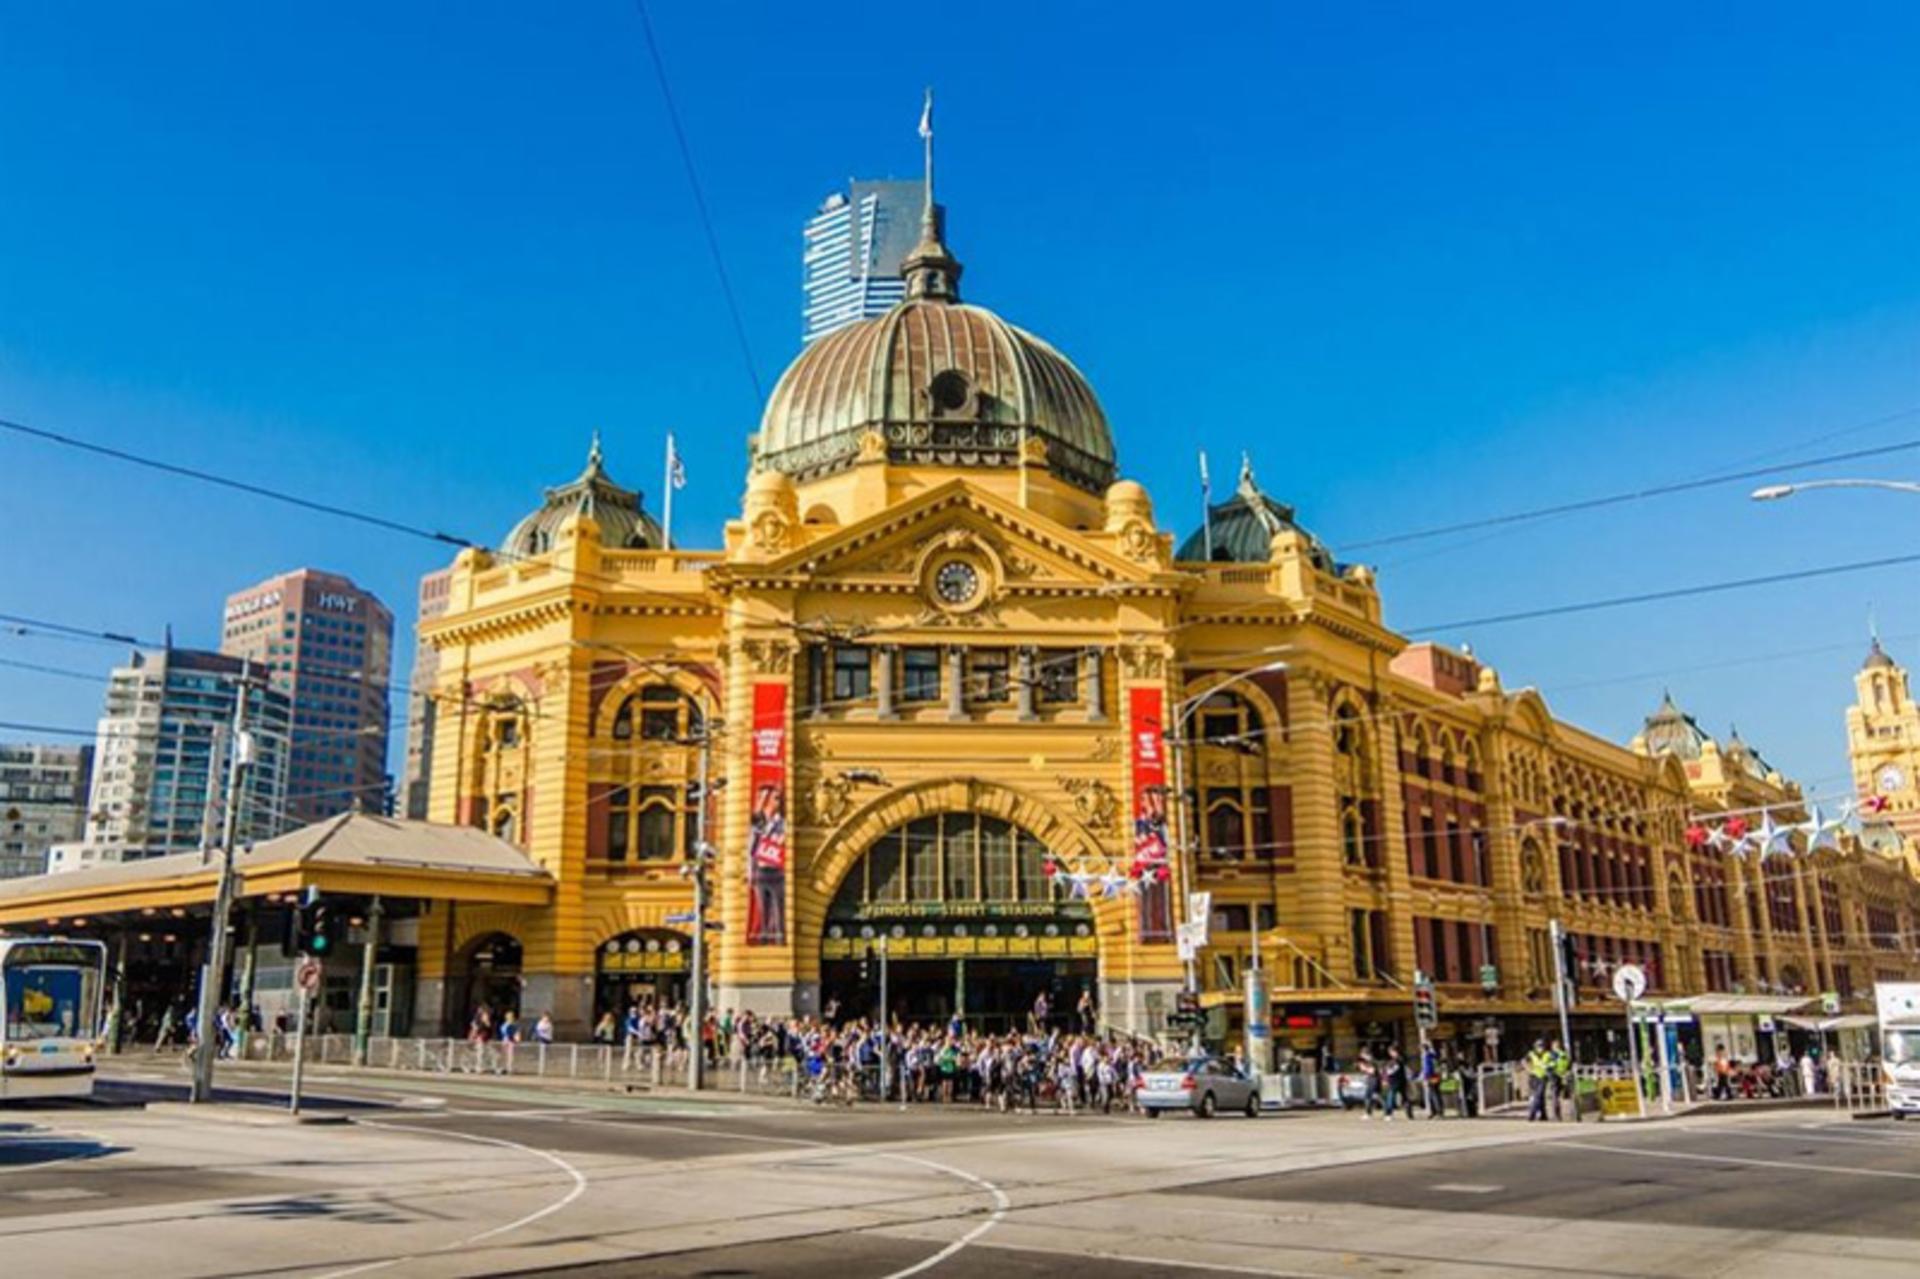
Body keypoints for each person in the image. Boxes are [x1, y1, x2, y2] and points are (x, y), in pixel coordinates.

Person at [1526, 1038, 1554, 1122]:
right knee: (1537, 1096)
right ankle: (1538, 1114)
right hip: (1534, 1077)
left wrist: (1548, 1066)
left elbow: (1553, 1062)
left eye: (1541, 1046)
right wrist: (1529, 1070)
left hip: (1543, 1077)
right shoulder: (1531, 1054)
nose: (1540, 1048)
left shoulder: (1547, 1054)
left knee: (1539, 1095)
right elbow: (1525, 1062)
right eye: (1538, 1046)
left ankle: (1536, 1114)